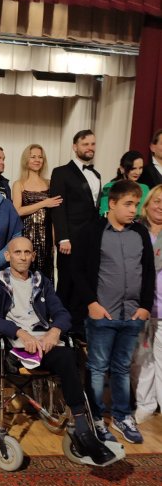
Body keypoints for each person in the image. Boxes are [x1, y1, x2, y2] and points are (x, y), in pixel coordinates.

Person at [0, 236, 115, 466]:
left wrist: (54, 331)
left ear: (33, 256)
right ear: (8, 256)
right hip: (14, 347)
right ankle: (83, 430)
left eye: (27, 252)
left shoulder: (42, 281)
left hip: (43, 344)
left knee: (70, 355)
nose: (23, 257)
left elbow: (62, 313)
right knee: (65, 356)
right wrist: (20, 333)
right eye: (18, 252)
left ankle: (83, 428)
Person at [73, 180, 155, 445]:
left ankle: (122, 416)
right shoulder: (91, 231)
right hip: (102, 314)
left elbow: (148, 272)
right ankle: (96, 418)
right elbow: (77, 271)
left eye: (136, 204)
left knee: (122, 368)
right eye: (128, 204)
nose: (134, 210)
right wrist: (92, 304)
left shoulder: (140, 233)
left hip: (132, 315)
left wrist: (145, 307)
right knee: (97, 368)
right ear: (113, 204)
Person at [50, 129, 101, 338]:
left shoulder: (97, 174)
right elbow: (58, 208)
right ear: (75, 147)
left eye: (93, 144)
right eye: (85, 144)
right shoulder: (61, 172)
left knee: (85, 283)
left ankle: (79, 330)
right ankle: (61, 329)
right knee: (66, 283)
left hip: (91, 240)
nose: (90, 148)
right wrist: (63, 237)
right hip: (69, 240)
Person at [131, 185, 162, 424]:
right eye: (157, 201)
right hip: (138, 304)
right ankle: (145, 404)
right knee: (140, 359)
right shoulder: (135, 230)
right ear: (148, 203)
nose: (161, 206)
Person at [12, 144, 62, 280]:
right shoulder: (19, 184)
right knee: (25, 274)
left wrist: (55, 242)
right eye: (33, 157)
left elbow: (54, 216)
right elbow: (17, 211)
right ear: (26, 160)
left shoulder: (50, 183)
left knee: (45, 276)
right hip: (26, 236)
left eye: (40, 157)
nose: (37, 160)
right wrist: (44, 203)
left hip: (47, 237)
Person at [99, 150, 149, 216]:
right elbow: (104, 213)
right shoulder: (109, 187)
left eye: (140, 168)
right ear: (122, 169)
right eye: (133, 168)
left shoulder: (145, 188)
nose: (138, 172)